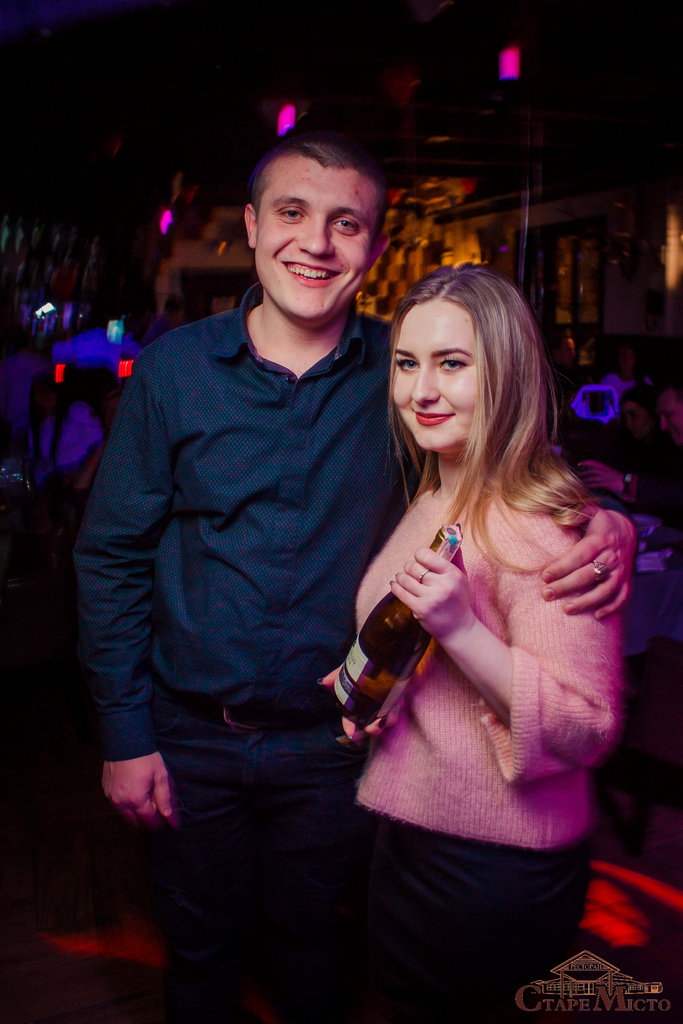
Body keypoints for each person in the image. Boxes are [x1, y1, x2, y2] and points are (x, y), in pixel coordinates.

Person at [73, 131, 635, 1024]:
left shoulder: (402, 364)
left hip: (334, 746)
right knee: (200, 956)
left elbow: (505, 450)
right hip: (189, 736)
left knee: (318, 957)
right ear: (252, 225)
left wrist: (600, 520)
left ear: (374, 246)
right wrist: (124, 733)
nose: (315, 242)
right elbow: (111, 556)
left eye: (346, 223)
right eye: (292, 213)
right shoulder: (176, 371)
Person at [328, 263, 624, 1023]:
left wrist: (460, 630)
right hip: (412, 833)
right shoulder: (437, 490)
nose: (421, 390)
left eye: (452, 363)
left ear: (506, 374)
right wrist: (382, 692)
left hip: (493, 864)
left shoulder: (541, 528)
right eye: (407, 363)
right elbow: (422, 656)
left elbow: (587, 728)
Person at [578, 377, 683, 529]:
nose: (663, 425)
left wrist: (627, 483)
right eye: (624, 417)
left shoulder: (671, 450)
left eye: (634, 415)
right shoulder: (620, 445)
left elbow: (673, 492)